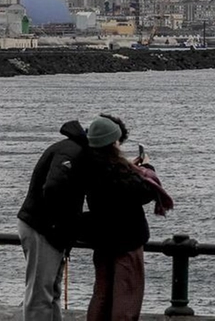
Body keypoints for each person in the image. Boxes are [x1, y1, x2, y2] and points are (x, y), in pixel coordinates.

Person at [81, 113, 174, 321]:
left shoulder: (90, 166)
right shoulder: (115, 170)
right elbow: (142, 192)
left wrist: (131, 167)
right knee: (127, 295)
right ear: (111, 142)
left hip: (102, 238)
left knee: (102, 293)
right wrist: (147, 169)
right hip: (126, 239)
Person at [17, 119, 90, 321]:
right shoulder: (73, 153)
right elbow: (53, 187)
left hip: (47, 227)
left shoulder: (73, 150)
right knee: (41, 292)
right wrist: (60, 223)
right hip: (44, 228)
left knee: (50, 290)